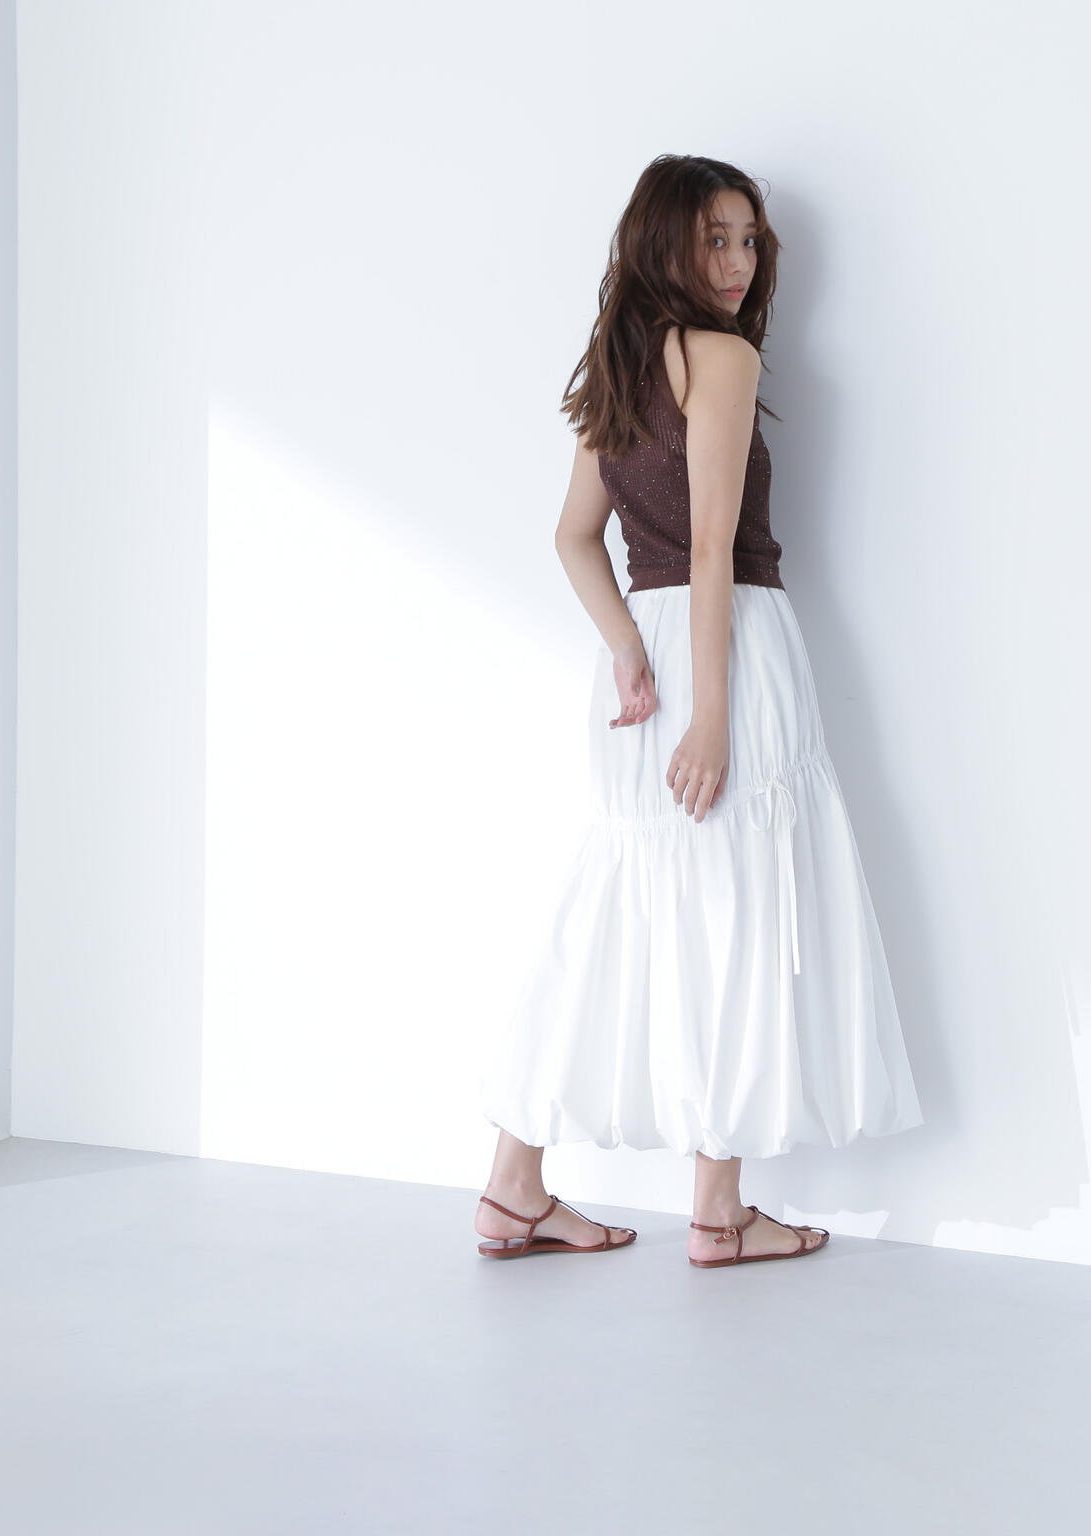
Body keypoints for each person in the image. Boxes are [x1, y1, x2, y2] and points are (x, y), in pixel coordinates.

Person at [474, 154, 924, 1266]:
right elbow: (713, 546)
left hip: (649, 661)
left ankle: (513, 1184)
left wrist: (630, 651)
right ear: (662, 243)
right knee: (737, 912)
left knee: (621, 912)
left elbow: (574, 537)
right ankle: (717, 1214)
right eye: (713, 238)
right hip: (731, 652)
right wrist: (709, 713)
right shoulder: (720, 357)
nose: (736, 262)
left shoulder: (619, 363)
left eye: (748, 239)